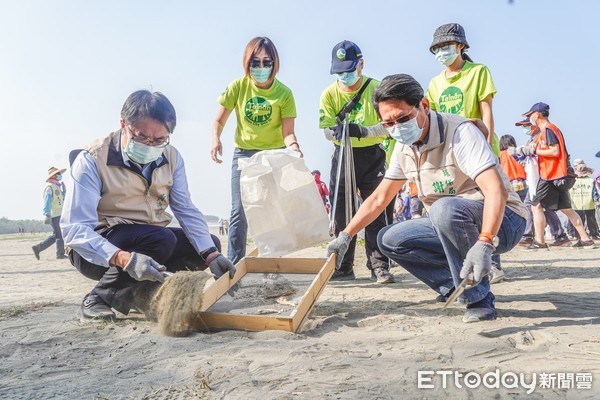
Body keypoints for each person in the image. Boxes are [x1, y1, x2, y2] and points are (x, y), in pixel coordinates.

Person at [327, 74, 527, 322]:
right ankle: (454, 285)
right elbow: (380, 198)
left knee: (443, 209)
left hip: (503, 221)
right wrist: (346, 235)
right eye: (388, 123)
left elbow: (495, 189)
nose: (397, 128)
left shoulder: (460, 133)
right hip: (449, 221)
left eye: (403, 118)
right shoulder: (403, 147)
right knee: (389, 239)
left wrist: (485, 242)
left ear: (424, 105)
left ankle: (479, 298)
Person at [61, 90, 236, 322]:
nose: (150, 145)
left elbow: (184, 208)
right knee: (161, 239)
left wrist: (211, 254)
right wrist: (124, 259)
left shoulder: (172, 158)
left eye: (159, 140)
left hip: (149, 241)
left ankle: (143, 294)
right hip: (98, 248)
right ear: (124, 124)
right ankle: (99, 298)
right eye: (142, 137)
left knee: (205, 245)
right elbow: (74, 230)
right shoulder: (92, 159)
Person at [211, 37, 301, 265]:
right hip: (243, 155)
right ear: (247, 62)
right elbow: (219, 120)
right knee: (238, 212)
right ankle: (233, 264)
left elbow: (288, 132)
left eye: (266, 62)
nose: (261, 68)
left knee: (270, 213)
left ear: (274, 63)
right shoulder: (238, 87)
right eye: (255, 62)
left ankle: (272, 263)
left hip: (273, 156)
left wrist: (294, 148)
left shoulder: (284, 93)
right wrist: (216, 139)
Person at [319, 40, 393, 283]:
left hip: (371, 154)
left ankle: (379, 266)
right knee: (342, 212)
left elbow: (388, 127)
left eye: (349, 70)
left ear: (361, 64)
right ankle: (343, 266)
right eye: (340, 72)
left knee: (376, 210)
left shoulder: (377, 89)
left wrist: (362, 131)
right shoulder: (329, 94)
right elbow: (325, 129)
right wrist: (337, 132)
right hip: (342, 156)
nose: (345, 76)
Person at [522, 102, 594, 249]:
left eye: (531, 115)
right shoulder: (549, 129)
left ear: (538, 115)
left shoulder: (548, 130)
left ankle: (540, 242)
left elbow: (555, 151)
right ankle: (586, 240)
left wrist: (533, 151)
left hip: (550, 175)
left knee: (535, 206)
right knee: (567, 209)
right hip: (558, 175)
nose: (530, 117)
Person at [426, 23, 499, 156]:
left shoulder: (478, 71)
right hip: (452, 148)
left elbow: (486, 112)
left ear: (461, 45)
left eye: (445, 45)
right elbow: (433, 121)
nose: (441, 51)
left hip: (478, 143)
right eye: (437, 48)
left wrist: (487, 146)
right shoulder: (434, 83)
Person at [514, 117, 569, 247]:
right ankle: (558, 236)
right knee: (538, 206)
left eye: (526, 125)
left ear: (533, 125)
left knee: (540, 206)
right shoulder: (531, 140)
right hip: (534, 178)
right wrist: (518, 155)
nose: (524, 128)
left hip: (543, 177)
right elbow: (527, 160)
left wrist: (530, 152)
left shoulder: (542, 136)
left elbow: (548, 154)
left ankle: (545, 237)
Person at [32, 167, 67, 260]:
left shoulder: (57, 186)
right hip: (54, 215)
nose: (60, 175)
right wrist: (47, 214)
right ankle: (60, 254)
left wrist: (64, 192)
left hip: (59, 214)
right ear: (54, 176)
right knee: (59, 235)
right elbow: (47, 201)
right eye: (58, 173)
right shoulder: (49, 187)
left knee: (56, 235)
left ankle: (38, 248)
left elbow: (61, 200)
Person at [567, 162, 600, 240]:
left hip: (576, 203)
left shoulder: (573, 181)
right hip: (589, 203)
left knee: (578, 220)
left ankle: (577, 235)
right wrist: (596, 200)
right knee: (591, 220)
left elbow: (568, 192)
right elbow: (594, 192)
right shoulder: (591, 180)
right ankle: (594, 234)